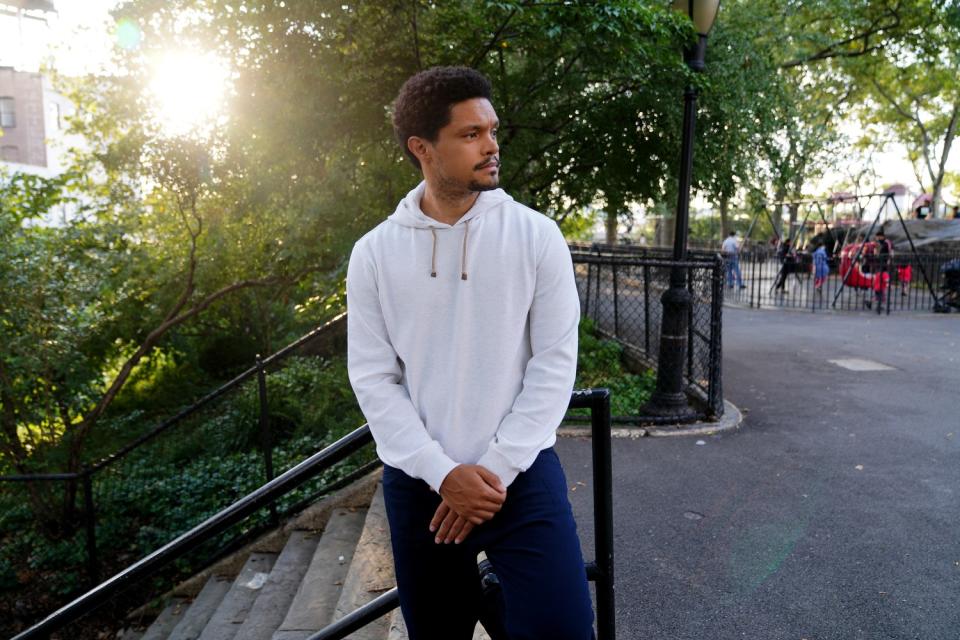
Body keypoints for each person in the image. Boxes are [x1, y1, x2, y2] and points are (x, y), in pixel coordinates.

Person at [346, 66, 593, 640]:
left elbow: (554, 366)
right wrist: (441, 472)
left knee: (563, 628)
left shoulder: (536, 236)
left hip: (520, 475)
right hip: (420, 485)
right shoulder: (375, 253)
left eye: (492, 130)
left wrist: (493, 471)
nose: (491, 145)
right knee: (438, 633)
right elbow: (374, 378)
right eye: (471, 134)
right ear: (422, 148)